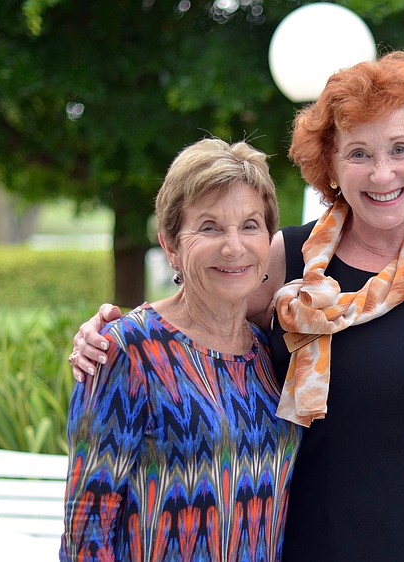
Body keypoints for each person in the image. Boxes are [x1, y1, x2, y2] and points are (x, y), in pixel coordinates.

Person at [69, 51, 404, 562]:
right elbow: (198, 319)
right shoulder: (287, 257)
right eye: (359, 154)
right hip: (320, 542)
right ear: (331, 167)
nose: (382, 173)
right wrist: (113, 333)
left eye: (400, 149)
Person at [61, 138, 302, 561]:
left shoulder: (268, 352)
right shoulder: (127, 350)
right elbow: (86, 529)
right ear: (171, 244)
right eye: (209, 227)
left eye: (250, 225)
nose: (233, 246)